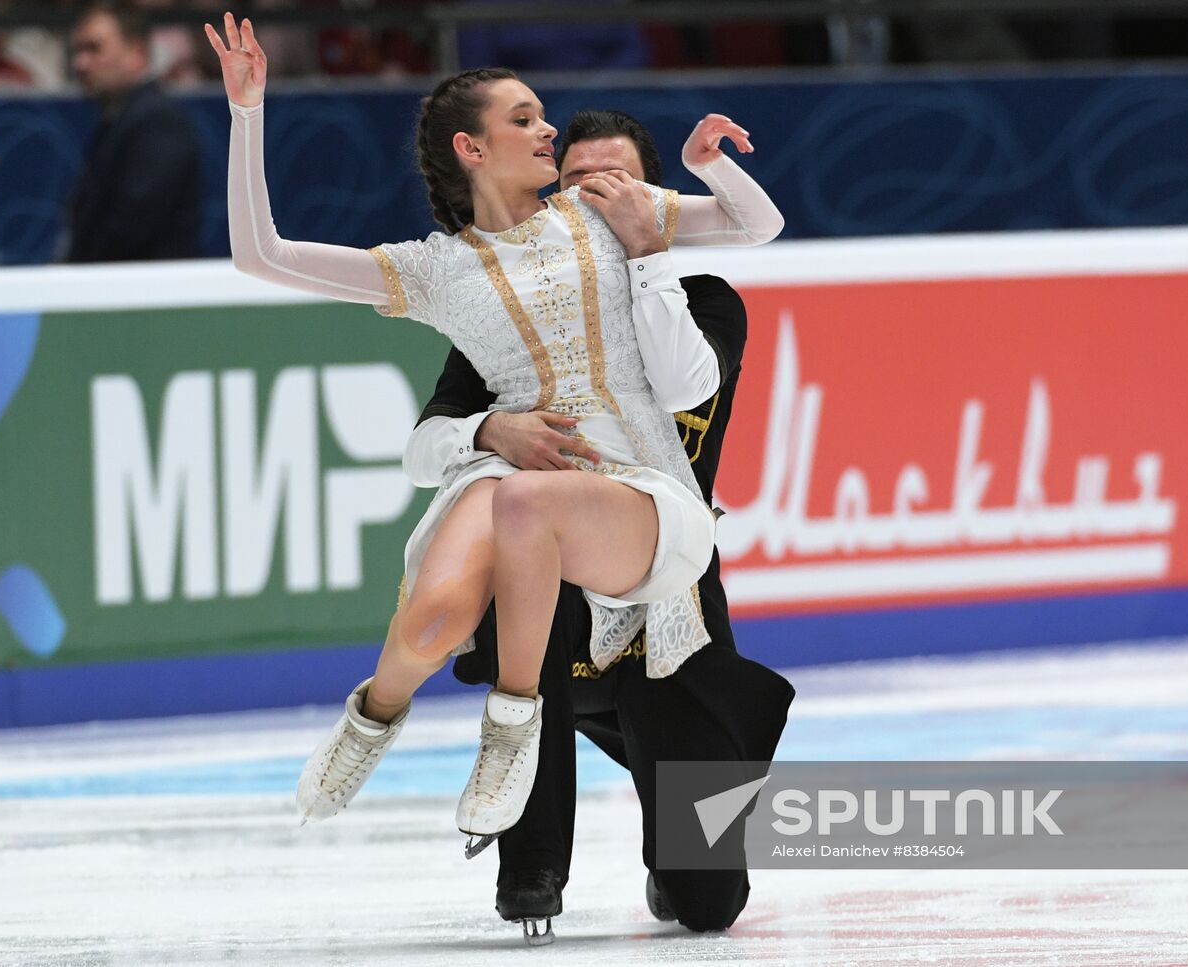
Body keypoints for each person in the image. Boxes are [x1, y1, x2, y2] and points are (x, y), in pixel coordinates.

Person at [206, 13, 783, 851]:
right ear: (472, 150)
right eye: (524, 119)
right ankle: (372, 715)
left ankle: (512, 726)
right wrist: (247, 112)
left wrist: (703, 169)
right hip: (513, 482)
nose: (550, 127)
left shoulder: (602, 211)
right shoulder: (434, 270)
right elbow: (261, 254)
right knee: (437, 612)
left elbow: (755, 225)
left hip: (640, 488)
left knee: (523, 502)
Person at [405, 109, 794, 939]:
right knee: (528, 600)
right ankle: (533, 871)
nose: (598, 199)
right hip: (557, 583)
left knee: (709, 903)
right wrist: (485, 429)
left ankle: (682, 813)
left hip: (667, 586)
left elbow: (687, 388)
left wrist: (652, 252)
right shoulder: (505, 314)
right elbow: (424, 442)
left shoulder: (704, 303)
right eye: (579, 183)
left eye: (620, 183)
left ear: (655, 197)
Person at [66, 1, 202, 262]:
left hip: (146, 293)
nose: (81, 63)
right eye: (77, 50)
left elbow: (131, 225)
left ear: (136, 52)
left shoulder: (159, 123)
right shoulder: (118, 120)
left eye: (94, 48)